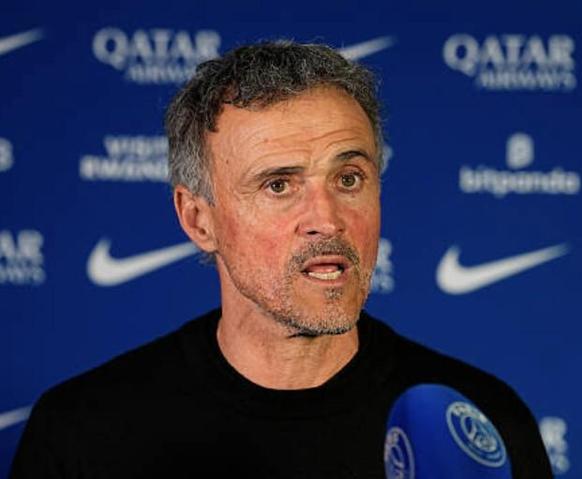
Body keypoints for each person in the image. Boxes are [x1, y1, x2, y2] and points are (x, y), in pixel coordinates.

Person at [11, 40, 552, 478]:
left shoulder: (479, 424)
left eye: (348, 179)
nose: (327, 219)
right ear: (199, 220)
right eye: (278, 185)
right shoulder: (83, 433)